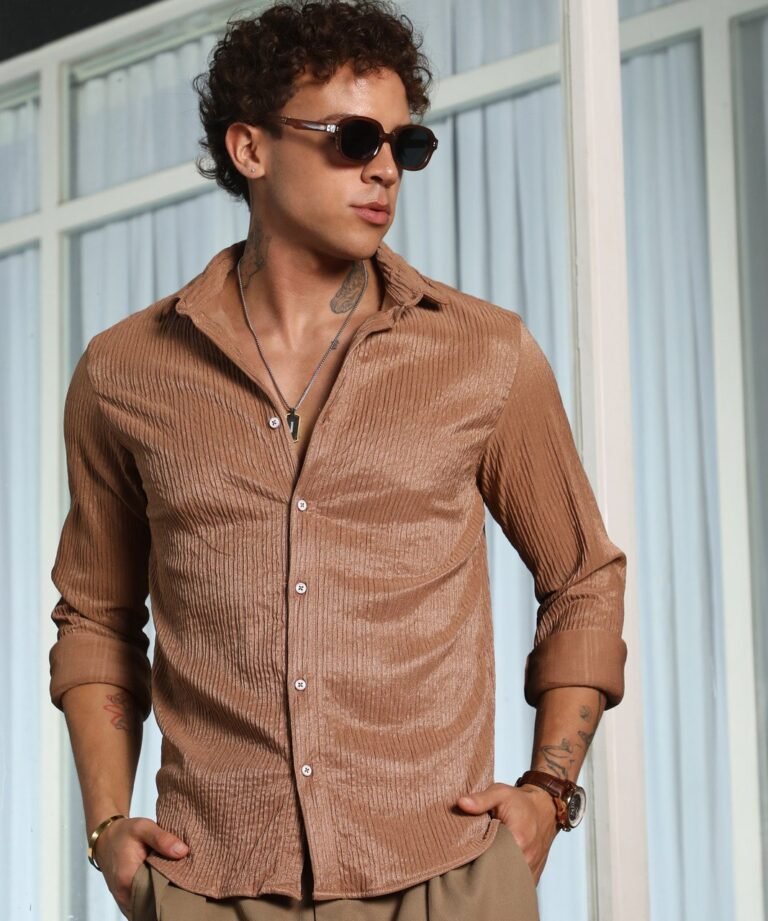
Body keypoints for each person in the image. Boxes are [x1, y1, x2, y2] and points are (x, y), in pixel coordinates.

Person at [48, 1, 628, 919]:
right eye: (353, 138)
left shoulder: (483, 353)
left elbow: (583, 576)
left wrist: (548, 792)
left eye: (405, 144)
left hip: (446, 876)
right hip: (211, 882)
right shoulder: (125, 373)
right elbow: (96, 616)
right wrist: (108, 825)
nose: (385, 168)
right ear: (250, 147)